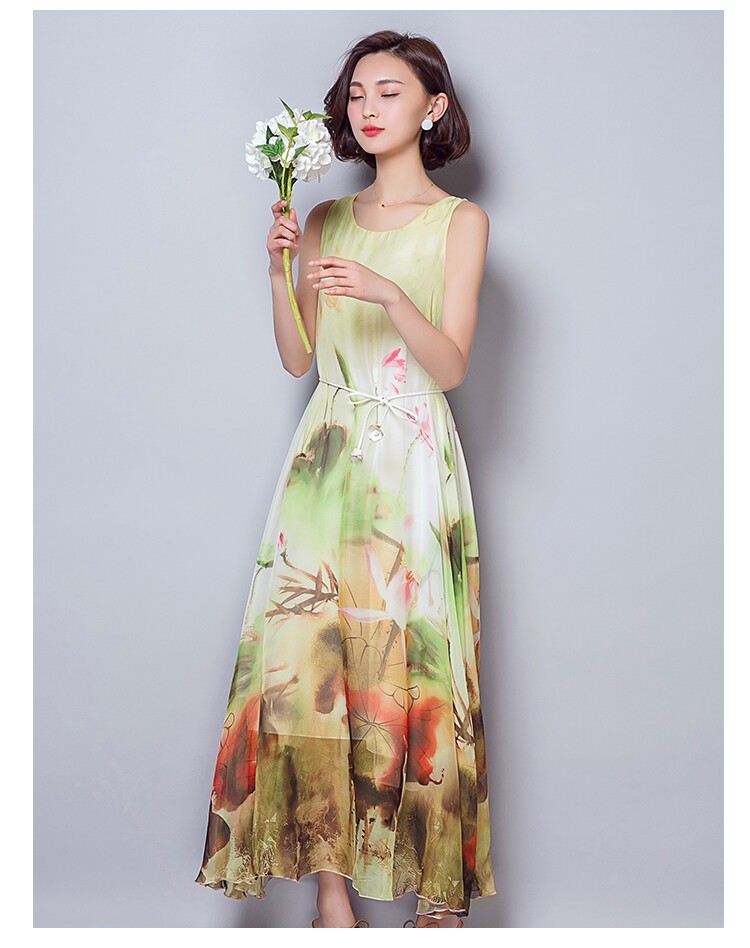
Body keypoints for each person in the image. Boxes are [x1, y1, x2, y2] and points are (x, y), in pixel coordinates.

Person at [194, 29, 496, 928]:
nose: (368, 108)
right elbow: (299, 359)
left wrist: (389, 294)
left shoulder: (460, 223)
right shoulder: (326, 217)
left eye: (389, 92)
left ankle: (436, 892)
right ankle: (332, 895)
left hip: (412, 458)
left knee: (414, 663)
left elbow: (451, 367)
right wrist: (278, 267)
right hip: (326, 460)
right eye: (357, 93)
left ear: (433, 108)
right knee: (309, 665)